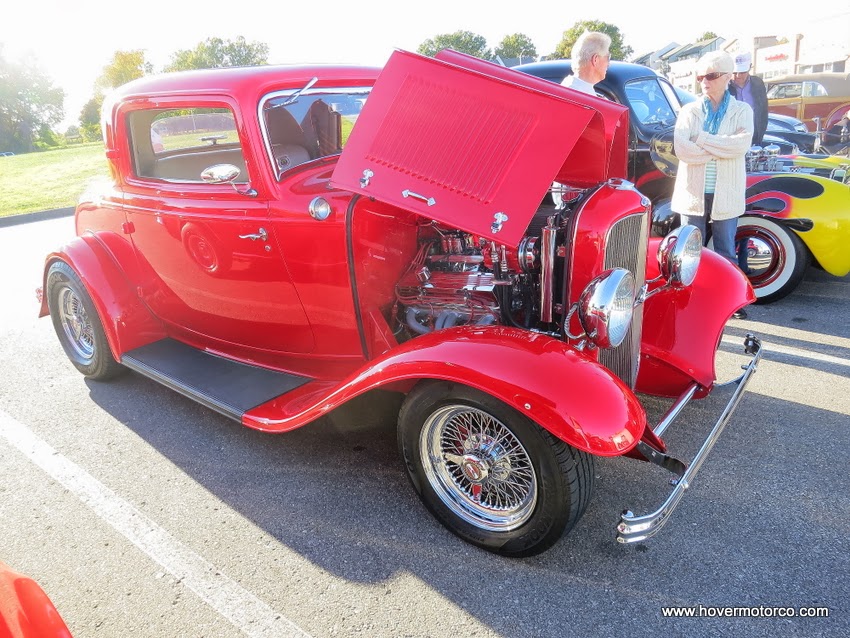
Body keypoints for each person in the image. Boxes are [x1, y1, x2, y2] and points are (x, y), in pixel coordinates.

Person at [671, 51, 754, 319]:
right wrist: (721, 146)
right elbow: (683, 149)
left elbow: (741, 145)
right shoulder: (689, 110)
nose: (704, 81)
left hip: (725, 191)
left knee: (725, 250)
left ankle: (727, 303)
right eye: (701, 76)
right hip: (692, 191)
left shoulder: (742, 110)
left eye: (712, 75)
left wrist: (702, 139)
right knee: (688, 250)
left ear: (728, 77)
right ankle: (688, 300)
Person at [728, 52, 768, 146]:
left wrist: (760, 134)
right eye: (734, 72)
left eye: (742, 72)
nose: (738, 76)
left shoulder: (758, 83)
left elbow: (763, 112)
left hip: (755, 138)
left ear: (750, 67)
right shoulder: (724, 87)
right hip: (732, 140)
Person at [560, 31, 611, 96]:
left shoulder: (572, 88)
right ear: (595, 59)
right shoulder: (578, 95)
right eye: (608, 57)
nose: (609, 64)